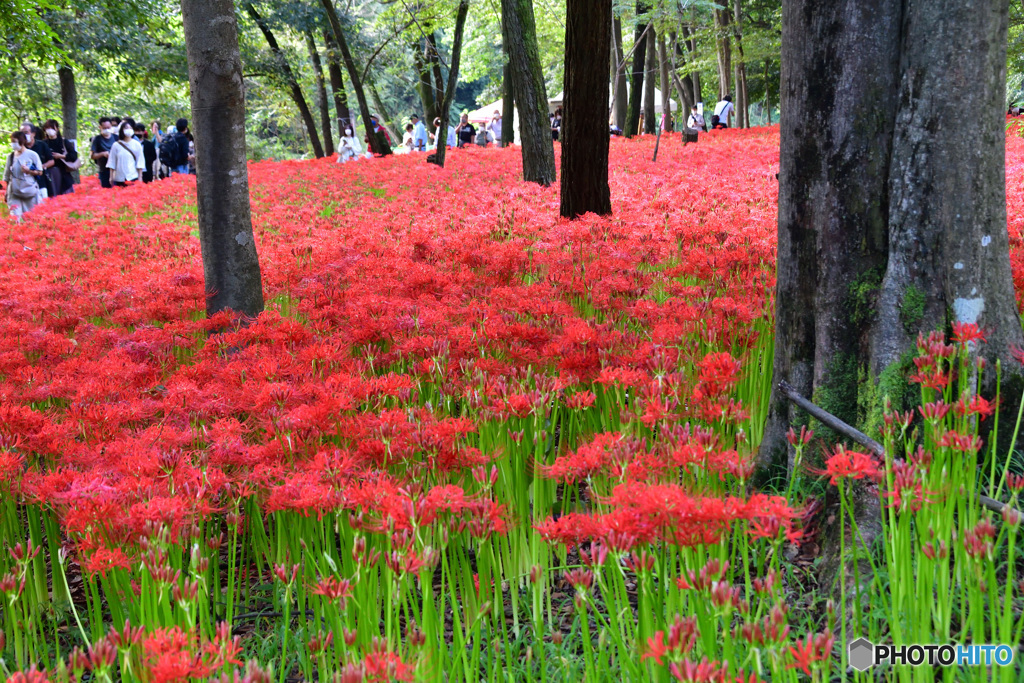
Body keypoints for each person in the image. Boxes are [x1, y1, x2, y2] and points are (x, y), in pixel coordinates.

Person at [3, 131, 43, 218]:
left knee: (30, 217)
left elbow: (40, 172)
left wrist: (29, 171)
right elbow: (7, 175)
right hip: (14, 191)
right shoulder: (11, 156)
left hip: (29, 190)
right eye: (12, 141)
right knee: (14, 217)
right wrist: (6, 192)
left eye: (15, 141)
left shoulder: (32, 155)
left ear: (21, 141)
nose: (13, 144)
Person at [42, 119, 78, 196]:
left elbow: (74, 156)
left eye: (52, 128)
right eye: (48, 128)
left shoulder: (64, 142)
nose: (50, 130)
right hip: (50, 174)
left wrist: (61, 156)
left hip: (64, 174)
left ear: (57, 129)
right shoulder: (43, 143)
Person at [21, 124, 54, 199]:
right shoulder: (20, 148)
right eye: (22, 133)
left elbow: (51, 161)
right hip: (25, 184)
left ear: (33, 133)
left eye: (26, 132)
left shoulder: (42, 145)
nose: (24, 135)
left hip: (41, 181)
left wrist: (40, 167)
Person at [107, 120, 142, 187]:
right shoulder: (116, 145)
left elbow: (140, 161)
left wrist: (140, 177)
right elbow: (112, 162)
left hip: (132, 176)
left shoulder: (136, 144)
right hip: (119, 178)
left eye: (130, 128)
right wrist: (111, 177)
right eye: (126, 128)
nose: (128, 130)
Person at [91, 117, 116, 188]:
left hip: (116, 170)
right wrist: (102, 154)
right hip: (104, 170)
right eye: (104, 128)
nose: (107, 129)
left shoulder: (116, 138)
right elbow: (92, 155)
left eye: (108, 127)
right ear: (100, 127)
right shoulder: (97, 139)